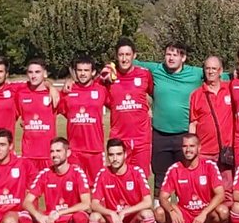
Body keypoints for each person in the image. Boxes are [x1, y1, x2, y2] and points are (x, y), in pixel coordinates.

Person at [136, 42, 208, 190]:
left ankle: (189, 208)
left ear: (183, 58)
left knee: (187, 175)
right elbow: (132, 62)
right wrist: (110, 66)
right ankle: (159, 209)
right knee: (160, 177)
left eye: (175, 55)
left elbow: (219, 73)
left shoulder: (195, 73)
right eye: (168, 54)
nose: (171, 58)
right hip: (160, 134)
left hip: (184, 134)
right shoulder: (157, 70)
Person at [156, 132, 229, 223]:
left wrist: (204, 213)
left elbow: (220, 194)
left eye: (192, 146)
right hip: (185, 213)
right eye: (185, 146)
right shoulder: (175, 169)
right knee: (159, 212)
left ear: (199, 148)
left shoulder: (209, 166)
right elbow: (163, 197)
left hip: (206, 213)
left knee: (223, 211)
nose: (188, 150)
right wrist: (171, 211)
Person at [22, 136, 92, 223]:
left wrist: (60, 213)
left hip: (69, 218)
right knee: (24, 218)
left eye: (58, 151)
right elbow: (27, 202)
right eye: (52, 151)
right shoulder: (45, 174)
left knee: (81, 218)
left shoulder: (77, 173)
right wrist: (39, 216)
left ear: (68, 153)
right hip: (51, 220)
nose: (54, 155)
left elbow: (86, 204)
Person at [89, 138, 156, 223]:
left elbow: (147, 201)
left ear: (125, 155)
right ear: (107, 156)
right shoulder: (103, 173)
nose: (115, 158)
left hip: (131, 219)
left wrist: (125, 212)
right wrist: (111, 213)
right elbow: (94, 204)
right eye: (111, 155)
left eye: (119, 154)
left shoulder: (136, 172)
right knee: (94, 218)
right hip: (112, 221)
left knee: (148, 216)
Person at [104, 39, 154, 180]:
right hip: (119, 139)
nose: (124, 59)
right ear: (116, 56)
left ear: (134, 56)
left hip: (141, 139)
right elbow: (89, 86)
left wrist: (148, 107)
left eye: (127, 54)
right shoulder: (110, 77)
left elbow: (153, 92)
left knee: (141, 180)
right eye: (121, 55)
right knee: (117, 179)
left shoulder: (144, 74)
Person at [59, 54, 108, 185]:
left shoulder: (102, 90)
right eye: (79, 70)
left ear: (93, 72)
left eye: (86, 70)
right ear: (75, 72)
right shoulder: (67, 91)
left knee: (97, 188)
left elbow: (116, 105)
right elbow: (53, 109)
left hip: (95, 150)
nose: (82, 74)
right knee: (75, 188)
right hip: (74, 150)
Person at [15, 59, 60, 186]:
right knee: (29, 193)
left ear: (45, 73)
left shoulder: (54, 95)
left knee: (52, 193)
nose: (33, 75)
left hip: (48, 154)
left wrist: (50, 86)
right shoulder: (21, 93)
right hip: (28, 154)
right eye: (30, 72)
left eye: (37, 72)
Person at [188, 55, 234, 172]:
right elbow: (193, 123)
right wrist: (192, 147)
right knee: (204, 188)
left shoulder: (231, 89)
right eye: (207, 68)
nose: (211, 71)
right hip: (205, 152)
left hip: (226, 151)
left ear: (221, 71)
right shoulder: (196, 95)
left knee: (227, 189)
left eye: (214, 68)